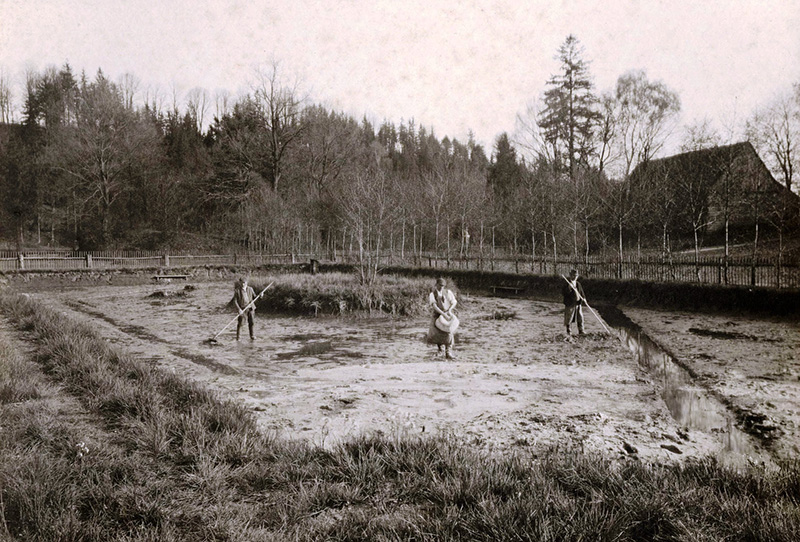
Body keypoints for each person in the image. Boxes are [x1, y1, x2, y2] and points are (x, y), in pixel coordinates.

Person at [428, 277, 458, 359]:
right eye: (439, 285)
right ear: (436, 285)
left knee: (449, 331)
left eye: (443, 286)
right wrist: (442, 314)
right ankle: (440, 350)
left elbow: (454, 302)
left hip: (447, 314)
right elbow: (434, 306)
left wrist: (450, 310)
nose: (441, 287)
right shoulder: (432, 294)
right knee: (438, 332)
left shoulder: (448, 292)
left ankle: (448, 352)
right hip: (437, 314)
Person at [562, 269, 586, 336]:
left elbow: (581, 292)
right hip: (570, 304)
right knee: (569, 317)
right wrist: (569, 288)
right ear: (570, 275)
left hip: (578, 303)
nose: (575, 277)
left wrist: (584, 299)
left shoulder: (578, 284)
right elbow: (564, 293)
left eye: (576, 275)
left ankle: (581, 330)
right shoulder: (567, 283)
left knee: (580, 317)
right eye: (573, 275)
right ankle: (569, 331)